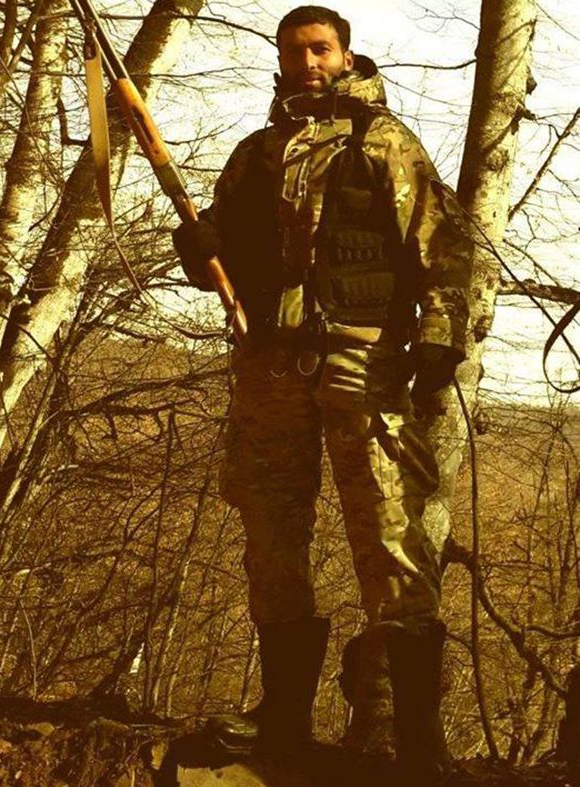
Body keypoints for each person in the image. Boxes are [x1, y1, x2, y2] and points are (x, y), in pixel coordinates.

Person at [173, 5, 472, 783]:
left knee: (393, 538)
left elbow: (442, 246)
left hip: (361, 362)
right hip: (270, 366)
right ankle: (282, 718)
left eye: (320, 49)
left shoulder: (385, 143)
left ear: (344, 55)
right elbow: (222, 253)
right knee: (271, 534)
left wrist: (441, 334)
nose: (307, 63)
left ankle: (419, 745)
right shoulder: (257, 153)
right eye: (294, 51)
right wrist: (199, 250)